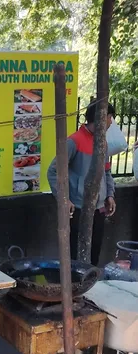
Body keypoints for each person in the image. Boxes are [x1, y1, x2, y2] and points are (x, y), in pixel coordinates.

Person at [47, 101, 116, 266]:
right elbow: (52, 171)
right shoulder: (74, 141)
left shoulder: (103, 143)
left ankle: (90, 288)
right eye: (109, 117)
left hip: (99, 210)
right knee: (76, 259)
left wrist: (110, 195)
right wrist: (64, 199)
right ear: (100, 118)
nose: (111, 122)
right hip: (77, 209)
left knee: (94, 256)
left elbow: (106, 172)